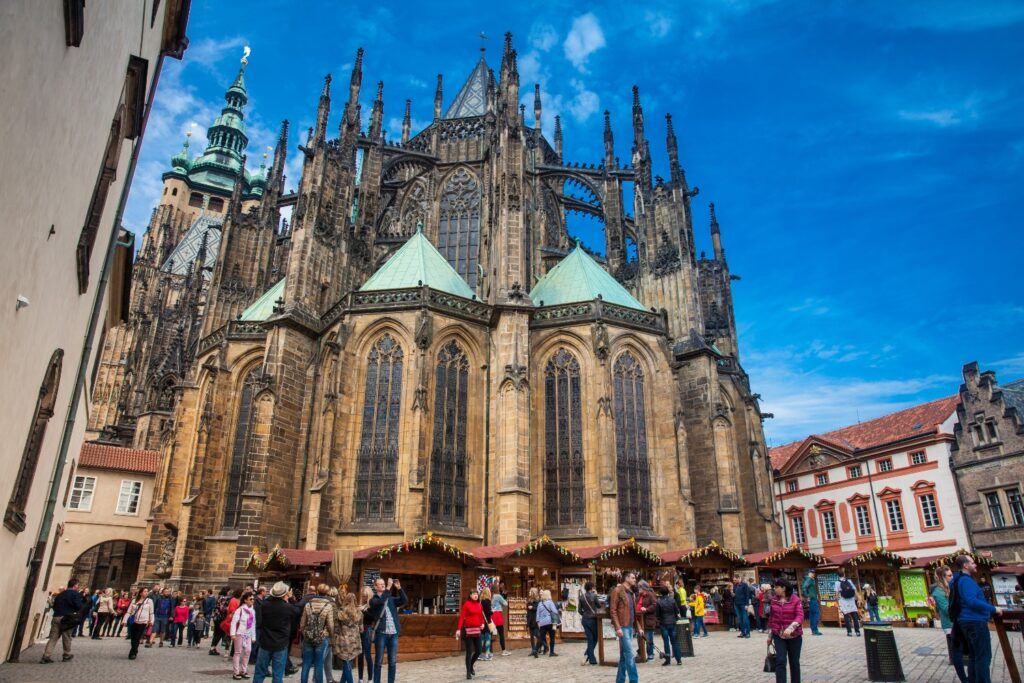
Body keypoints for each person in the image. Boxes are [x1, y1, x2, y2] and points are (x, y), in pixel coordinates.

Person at [950, 554, 1000, 683]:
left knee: (974, 655)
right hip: (974, 621)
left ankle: (972, 680)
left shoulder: (958, 580)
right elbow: (972, 601)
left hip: (966, 621)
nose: (975, 564)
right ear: (966, 565)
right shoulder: (965, 581)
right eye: (972, 563)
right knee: (983, 657)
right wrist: (993, 609)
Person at [254, 582, 300, 683]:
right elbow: (297, 611)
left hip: (265, 642)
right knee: (278, 674)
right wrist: (291, 598)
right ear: (284, 595)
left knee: (259, 672)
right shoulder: (288, 607)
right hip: (280, 643)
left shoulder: (264, 605)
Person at [929, 565, 967, 683]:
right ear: (942, 577)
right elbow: (946, 609)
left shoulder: (950, 588)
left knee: (962, 649)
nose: (952, 577)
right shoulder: (938, 592)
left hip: (958, 622)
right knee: (956, 651)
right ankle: (963, 678)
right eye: (950, 575)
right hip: (950, 624)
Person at [369, 577, 407, 683]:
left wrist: (399, 588)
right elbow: (381, 602)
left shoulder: (390, 598)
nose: (383, 585)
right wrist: (389, 587)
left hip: (393, 634)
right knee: (378, 662)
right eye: (380, 584)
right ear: (375, 587)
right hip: (381, 634)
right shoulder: (373, 600)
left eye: (383, 584)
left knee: (392, 661)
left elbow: (404, 600)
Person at [768, 578, 804, 683]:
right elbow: (772, 618)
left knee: (794, 662)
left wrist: (790, 628)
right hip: (778, 636)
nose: (775, 589)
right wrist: (770, 636)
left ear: (783, 588)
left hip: (794, 636)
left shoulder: (795, 600)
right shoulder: (774, 600)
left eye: (776, 587)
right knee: (780, 661)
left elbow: (800, 616)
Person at [610, 570, 643, 683]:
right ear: (627, 578)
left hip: (629, 626)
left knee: (624, 656)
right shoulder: (617, 590)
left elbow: (633, 612)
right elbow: (613, 610)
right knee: (630, 655)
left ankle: (620, 680)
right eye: (633, 578)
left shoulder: (631, 593)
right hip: (623, 627)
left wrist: (638, 627)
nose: (635, 580)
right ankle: (634, 680)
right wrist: (618, 627)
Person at [41, 580, 85, 663]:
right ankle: (66, 655)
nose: (77, 587)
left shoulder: (60, 594)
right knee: (67, 637)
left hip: (56, 616)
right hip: (67, 618)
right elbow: (79, 606)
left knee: (53, 637)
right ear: (75, 585)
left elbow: (54, 606)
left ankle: (46, 656)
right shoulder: (75, 594)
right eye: (77, 585)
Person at [300, 584, 335, 683]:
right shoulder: (328, 606)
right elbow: (330, 624)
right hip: (322, 637)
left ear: (317, 591)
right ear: (327, 593)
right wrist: (331, 637)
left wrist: (304, 632)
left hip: (308, 636)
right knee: (319, 663)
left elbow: (302, 622)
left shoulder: (308, 604)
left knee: (306, 663)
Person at [333, 591, 363, 683]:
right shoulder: (359, 613)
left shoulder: (340, 612)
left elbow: (336, 628)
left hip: (343, 640)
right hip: (354, 641)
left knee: (346, 663)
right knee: (348, 662)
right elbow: (361, 629)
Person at [456, 589, 485, 679]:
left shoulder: (479, 605)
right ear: (470, 595)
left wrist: (483, 623)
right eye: (473, 594)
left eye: (477, 594)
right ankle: (468, 672)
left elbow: (481, 616)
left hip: (477, 630)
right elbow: (462, 617)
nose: (476, 595)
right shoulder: (467, 604)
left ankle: (471, 665)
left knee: (479, 651)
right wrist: (458, 629)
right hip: (468, 630)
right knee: (469, 652)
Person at [654, 585, 682, 665]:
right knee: (675, 642)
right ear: (667, 592)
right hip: (672, 622)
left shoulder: (659, 601)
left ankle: (668, 659)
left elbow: (657, 614)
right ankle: (678, 659)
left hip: (664, 623)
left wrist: (659, 620)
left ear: (660, 593)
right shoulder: (672, 600)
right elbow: (677, 611)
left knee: (666, 642)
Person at [126, 587, 154, 660]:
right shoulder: (134, 600)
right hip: (133, 621)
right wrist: (124, 620)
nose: (146, 592)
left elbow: (151, 612)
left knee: (137, 637)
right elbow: (129, 611)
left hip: (143, 621)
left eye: (147, 591)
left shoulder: (149, 601)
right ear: (141, 593)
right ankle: (134, 650)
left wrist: (151, 621)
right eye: (145, 591)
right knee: (133, 637)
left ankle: (133, 653)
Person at [578, 581, 600, 665]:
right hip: (592, 619)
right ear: (592, 588)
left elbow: (579, 610)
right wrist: (596, 595)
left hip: (584, 619)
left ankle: (590, 657)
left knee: (590, 639)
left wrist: (585, 615)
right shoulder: (594, 596)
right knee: (594, 638)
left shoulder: (581, 597)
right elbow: (598, 606)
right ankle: (590, 657)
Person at [535, 589, 560, 658]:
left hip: (542, 623)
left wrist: (538, 622)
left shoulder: (540, 603)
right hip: (550, 622)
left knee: (541, 637)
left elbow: (537, 614)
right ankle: (551, 652)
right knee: (552, 637)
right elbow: (554, 611)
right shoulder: (550, 602)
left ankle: (535, 650)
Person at [834, 570, 860, 637]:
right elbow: (854, 590)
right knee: (854, 616)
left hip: (843, 600)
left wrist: (836, 601)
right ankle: (857, 632)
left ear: (838, 575)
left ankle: (849, 632)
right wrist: (858, 598)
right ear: (844, 574)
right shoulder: (849, 581)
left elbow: (836, 593)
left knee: (846, 616)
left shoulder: (837, 583)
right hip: (851, 600)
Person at [358, 586, 375, 683]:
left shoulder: (371, 605)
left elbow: (373, 617)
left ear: (368, 595)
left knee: (367, 654)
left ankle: (370, 679)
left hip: (367, 630)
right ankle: (360, 678)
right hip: (359, 631)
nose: (364, 597)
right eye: (363, 596)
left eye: (365, 596)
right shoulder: (361, 604)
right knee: (360, 655)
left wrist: (363, 610)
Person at [800, 570, 822, 636]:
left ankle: (814, 630)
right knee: (816, 613)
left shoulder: (810, 579)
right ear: (809, 573)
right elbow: (804, 587)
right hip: (813, 599)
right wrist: (807, 596)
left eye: (814, 573)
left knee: (812, 615)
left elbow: (804, 587)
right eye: (812, 573)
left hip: (812, 599)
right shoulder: (809, 579)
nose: (814, 574)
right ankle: (815, 630)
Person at [490, 586, 509, 656]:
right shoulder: (498, 596)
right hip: (498, 615)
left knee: (490, 633)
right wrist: (504, 597)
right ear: (497, 590)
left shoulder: (490, 596)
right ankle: (503, 650)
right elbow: (505, 604)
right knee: (501, 634)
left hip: (492, 615)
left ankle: (489, 651)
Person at [526, 587, 543, 656]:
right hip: (530, 619)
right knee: (531, 636)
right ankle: (533, 650)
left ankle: (537, 648)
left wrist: (532, 608)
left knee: (538, 635)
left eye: (530, 592)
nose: (529, 593)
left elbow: (539, 610)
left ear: (533, 592)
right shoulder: (529, 600)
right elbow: (528, 610)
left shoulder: (539, 601)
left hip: (536, 620)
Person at [479, 587, 494, 660]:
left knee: (482, 637)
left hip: (481, 622)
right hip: (487, 621)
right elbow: (488, 612)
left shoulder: (481, 601)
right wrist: (492, 611)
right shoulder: (488, 601)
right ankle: (487, 654)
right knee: (488, 637)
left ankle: (480, 653)